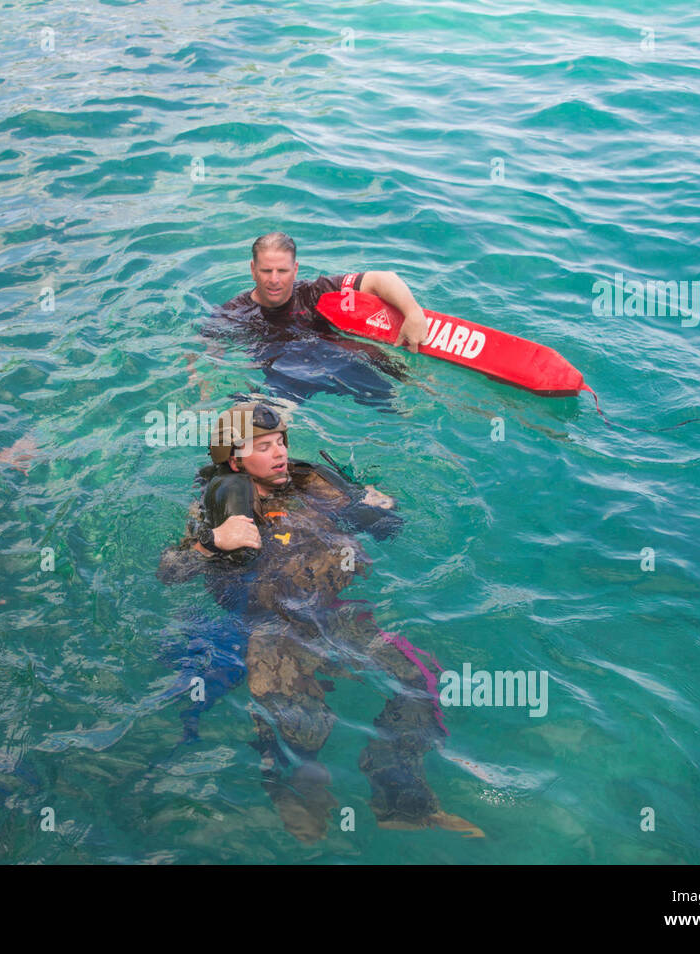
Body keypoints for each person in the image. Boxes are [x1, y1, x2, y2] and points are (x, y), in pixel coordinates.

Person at [158, 403, 482, 842]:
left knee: (420, 679)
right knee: (296, 721)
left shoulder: (307, 485)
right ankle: (293, 793)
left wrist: (377, 503)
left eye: (281, 443)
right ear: (235, 461)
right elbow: (168, 572)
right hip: (271, 628)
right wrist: (212, 544)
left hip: (334, 615)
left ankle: (398, 790)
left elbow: (384, 526)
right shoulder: (218, 508)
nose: (279, 454)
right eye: (263, 447)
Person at [191, 232, 429, 408]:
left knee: (406, 407)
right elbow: (204, 347)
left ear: (295, 270)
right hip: (286, 379)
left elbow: (382, 278)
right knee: (265, 426)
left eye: (282, 271)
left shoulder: (315, 293)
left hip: (343, 363)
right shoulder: (235, 312)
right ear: (253, 269)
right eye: (266, 271)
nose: (274, 279)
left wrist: (413, 312)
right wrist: (203, 375)